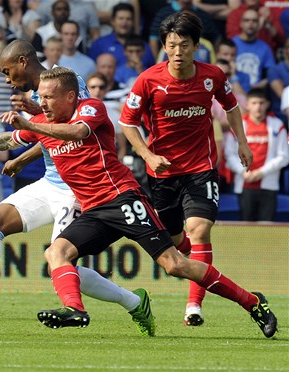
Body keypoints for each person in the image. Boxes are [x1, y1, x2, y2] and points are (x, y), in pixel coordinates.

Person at [0, 66, 275, 339]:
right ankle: (76, 311)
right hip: (94, 210)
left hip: (123, 198)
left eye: (49, 98)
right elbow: (10, 141)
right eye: (40, 98)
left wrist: (35, 124)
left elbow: (77, 132)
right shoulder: (43, 121)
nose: (43, 104)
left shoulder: (91, 108)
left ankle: (253, 303)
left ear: (69, 96)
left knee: (175, 265)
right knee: (57, 252)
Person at [0, 40, 155, 337]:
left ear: (23, 62)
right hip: (50, 181)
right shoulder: (35, 97)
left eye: (8, 72)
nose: (8, 80)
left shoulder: (65, 83)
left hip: (77, 189)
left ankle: (134, 301)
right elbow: (34, 134)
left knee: (61, 262)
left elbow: (75, 134)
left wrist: (26, 146)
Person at [118, 12, 271, 328]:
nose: (177, 52)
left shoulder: (212, 75)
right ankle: (195, 259)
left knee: (199, 229)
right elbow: (127, 123)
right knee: (176, 243)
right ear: (163, 46)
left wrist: (242, 143)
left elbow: (231, 106)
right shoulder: (148, 80)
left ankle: (193, 306)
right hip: (162, 173)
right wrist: (146, 155)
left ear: (196, 46)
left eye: (183, 45)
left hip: (201, 168)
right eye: (171, 45)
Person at [225, 88, 289, 221]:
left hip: (269, 184)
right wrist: (243, 172)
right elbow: (229, 154)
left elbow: (284, 156)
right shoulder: (238, 125)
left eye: (261, 103)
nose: (258, 107)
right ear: (247, 104)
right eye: (254, 103)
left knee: (266, 227)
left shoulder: (277, 125)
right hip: (244, 183)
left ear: (267, 104)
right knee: (245, 228)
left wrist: (261, 172)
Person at [88, 3, 154, 70]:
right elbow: (91, 70)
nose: (124, 22)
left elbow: (152, 72)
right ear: (113, 21)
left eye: (128, 19)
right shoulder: (100, 44)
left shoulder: (144, 46)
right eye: (121, 18)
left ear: (133, 22)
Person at [232, 8, 275, 92]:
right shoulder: (232, 44)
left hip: (256, 94)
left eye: (254, 21)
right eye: (246, 20)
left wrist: (255, 88)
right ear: (241, 23)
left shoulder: (265, 47)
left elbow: (271, 75)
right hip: (233, 91)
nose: (250, 23)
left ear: (259, 24)